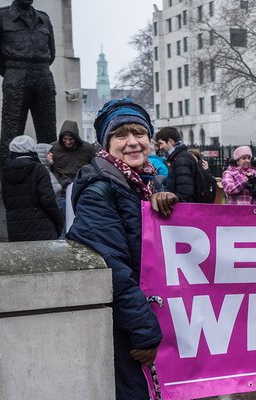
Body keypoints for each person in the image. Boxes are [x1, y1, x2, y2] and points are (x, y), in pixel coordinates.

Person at [67, 98, 178, 400]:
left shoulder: (141, 184)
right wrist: (144, 330)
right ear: (106, 143)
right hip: (129, 329)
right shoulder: (99, 189)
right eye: (121, 135)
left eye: (139, 133)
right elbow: (112, 266)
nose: (132, 143)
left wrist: (159, 206)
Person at [0, 0, 57, 170]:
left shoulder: (44, 18)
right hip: (16, 75)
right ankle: (8, 182)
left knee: (49, 133)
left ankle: (53, 180)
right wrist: (11, 72)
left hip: (43, 75)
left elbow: (52, 53)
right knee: (11, 132)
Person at [1, 135, 63, 241]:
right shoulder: (38, 169)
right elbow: (48, 199)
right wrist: (59, 220)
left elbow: (6, 200)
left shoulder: (6, 171)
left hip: (16, 228)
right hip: (42, 227)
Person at [49, 120, 95, 213]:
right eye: (65, 139)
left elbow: (95, 165)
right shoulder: (53, 148)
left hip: (81, 190)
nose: (68, 142)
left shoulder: (87, 148)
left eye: (71, 139)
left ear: (76, 138)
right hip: (62, 192)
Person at [155, 127, 197, 202]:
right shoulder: (178, 157)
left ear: (170, 141)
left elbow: (184, 190)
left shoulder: (181, 159)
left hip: (183, 207)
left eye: (161, 143)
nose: (160, 147)